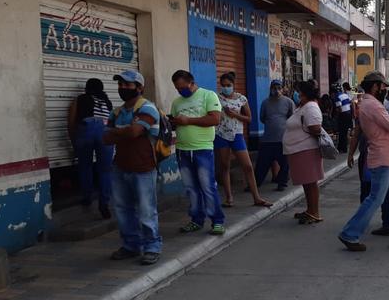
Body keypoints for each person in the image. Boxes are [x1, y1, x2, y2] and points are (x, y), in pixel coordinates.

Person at [338, 71, 389, 252]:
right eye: (383, 86)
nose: (385, 89)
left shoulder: (370, 103)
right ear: (375, 86)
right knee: (376, 198)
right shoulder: (372, 105)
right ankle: (350, 233)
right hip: (383, 157)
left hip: (388, 156)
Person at [101, 70, 162, 265]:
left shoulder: (148, 108)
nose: (123, 88)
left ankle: (152, 247)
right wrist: (124, 131)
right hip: (120, 167)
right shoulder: (117, 112)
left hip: (143, 168)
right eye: (120, 85)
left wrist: (118, 131)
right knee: (122, 209)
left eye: (127, 85)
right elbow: (105, 138)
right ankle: (131, 245)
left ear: (139, 87)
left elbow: (135, 132)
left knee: (146, 210)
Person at [170, 69, 226, 236]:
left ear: (191, 83)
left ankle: (217, 221)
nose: (180, 91)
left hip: (202, 149)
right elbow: (175, 123)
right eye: (177, 89)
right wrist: (171, 122)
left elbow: (215, 119)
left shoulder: (208, 96)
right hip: (182, 150)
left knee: (208, 186)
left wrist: (188, 120)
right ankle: (196, 219)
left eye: (182, 87)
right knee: (191, 187)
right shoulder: (177, 102)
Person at [214, 72, 272, 209]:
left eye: (228, 85)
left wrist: (234, 115)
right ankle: (229, 198)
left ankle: (256, 197)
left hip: (237, 135)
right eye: (223, 85)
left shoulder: (241, 99)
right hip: (221, 135)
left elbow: (249, 118)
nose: (225, 88)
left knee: (248, 166)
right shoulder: (216, 98)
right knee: (224, 166)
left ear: (234, 85)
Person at [68, 78, 114, 219]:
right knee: (105, 169)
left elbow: (71, 121)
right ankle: (104, 204)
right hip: (105, 130)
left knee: (85, 166)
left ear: (86, 88)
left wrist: (73, 140)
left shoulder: (80, 99)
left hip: (86, 129)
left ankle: (87, 197)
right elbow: (112, 121)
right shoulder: (107, 102)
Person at [283, 80, 325, 224]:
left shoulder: (311, 107)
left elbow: (315, 128)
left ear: (306, 93)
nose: (297, 95)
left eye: (300, 93)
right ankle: (310, 210)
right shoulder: (303, 106)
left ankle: (315, 213)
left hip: (307, 149)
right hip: (299, 150)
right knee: (306, 183)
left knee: (311, 183)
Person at [256, 79, 294, 191]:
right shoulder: (265, 103)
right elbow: (262, 118)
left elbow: (292, 118)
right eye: (274, 88)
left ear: (282, 89)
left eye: (279, 88)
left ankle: (282, 183)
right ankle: (256, 183)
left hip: (283, 139)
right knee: (262, 164)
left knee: (285, 164)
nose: (276, 91)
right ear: (271, 89)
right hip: (268, 139)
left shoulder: (288, 102)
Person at [334, 83, 354, 153]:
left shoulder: (337, 96)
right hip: (348, 114)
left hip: (343, 115)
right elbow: (350, 103)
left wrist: (336, 114)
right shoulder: (345, 94)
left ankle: (342, 148)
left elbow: (340, 109)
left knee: (341, 132)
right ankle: (342, 148)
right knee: (345, 132)